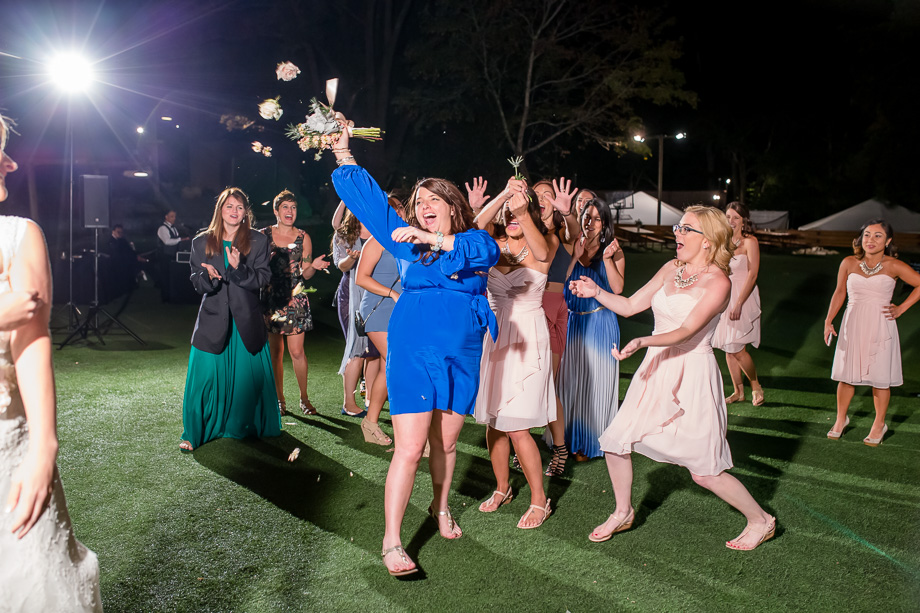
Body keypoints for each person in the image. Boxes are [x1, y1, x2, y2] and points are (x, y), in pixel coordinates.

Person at [331, 124, 500, 577]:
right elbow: (370, 206)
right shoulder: (403, 239)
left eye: (433, 201)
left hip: (460, 352)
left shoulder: (472, 241)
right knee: (409, 447)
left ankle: (440, 506)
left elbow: (485, 251)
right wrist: (345, 155)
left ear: (452, 207)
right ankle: (391, 541)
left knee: (445, 442)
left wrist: (434, 241)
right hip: (411, 349)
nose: (423, 208)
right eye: (418, 203)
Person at [570, 206, 776, 550]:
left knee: (704, 472)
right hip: (656, 368)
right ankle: (623, 511)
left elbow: (684, 332)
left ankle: (761, 520)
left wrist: (643, 341)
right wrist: (597, 293)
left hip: (691, 374)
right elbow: (632, 304)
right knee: (615, 440)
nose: (676, 234)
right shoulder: (670, 269)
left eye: (686, 229)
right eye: (678, 227)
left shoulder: (719, 282)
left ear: (708, 241)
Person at [0, 114, 103, 611]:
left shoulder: (19, 236)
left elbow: (32, 341)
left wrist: (43, 446)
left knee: (39, 583)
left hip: (9, 448)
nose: (10, 160)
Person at [472, 180, 556, 529]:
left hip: (528, 340)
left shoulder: (545, 240)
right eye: (507, 213)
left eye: (517, 212)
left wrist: (523, 210)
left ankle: (540, 500)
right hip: (495, 337)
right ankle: (503, 487)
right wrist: (503, 197)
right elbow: (472, 229)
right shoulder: (492, 245)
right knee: (494, 421)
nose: (511, 217)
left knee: (518, 424)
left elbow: (543, 255)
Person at [179, 188, 281, 451]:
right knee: (203, 379)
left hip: (245, 321)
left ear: (246, 212)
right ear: (220, 210)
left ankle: (241, 426)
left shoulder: (258, 241)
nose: (234, 212)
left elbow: (262, 279)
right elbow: (196, 282)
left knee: (247, 381)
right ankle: (194, 432)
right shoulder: (201, 242)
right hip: (213, 320)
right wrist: (209, 279)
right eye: (229, 206)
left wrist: (238, 269)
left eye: (239, 207)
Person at [824, 219, 920, 445]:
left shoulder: (894, 265)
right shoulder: (848, 262)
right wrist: (828, 320)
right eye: (867, 235)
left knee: (880, 378)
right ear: (861, 238)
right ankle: (840, 419)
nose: (871, 240)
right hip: (853, 323)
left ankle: (879, 424)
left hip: (881, 325)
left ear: (887, 241)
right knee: (847, 376)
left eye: (878, 236)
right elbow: (839, 293)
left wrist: (902, 308)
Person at [554, 199, 625, 461]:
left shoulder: (614, 249)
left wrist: (606, 259)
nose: (590, 222)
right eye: (586, 216)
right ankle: (566, 439)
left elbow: (617, 289)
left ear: (604, 223)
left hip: (600, 323)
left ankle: (591, 441)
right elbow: (561, 280)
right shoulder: (571, 244)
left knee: (595, 384)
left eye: (596, 218)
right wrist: (574, 254)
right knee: (570, 384)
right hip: (573, 322)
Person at [261, 190, 330, 416]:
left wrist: (314, 266)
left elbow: (305, 273)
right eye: (285, 207)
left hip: (296, 299)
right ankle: (279, 400)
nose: (290, 212)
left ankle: (304, 398)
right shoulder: (264, 235)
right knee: (275, 353)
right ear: (276, 210)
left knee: (297, 351)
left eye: (293, 207)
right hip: (272, 300)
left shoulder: (303, 237)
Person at [354, 195, 406, 446]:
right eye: (393, 211)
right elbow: (360, 278)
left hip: (401, 310)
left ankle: (371, 422)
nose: (398, 215)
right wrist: (392, 293)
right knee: (399, 365)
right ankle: (406, 430)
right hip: (377, 309)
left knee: (389, 367)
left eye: (401, 211)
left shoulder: (408, 243)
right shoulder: (375, 242)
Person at [533, 178, 576, 476]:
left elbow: (574, 236)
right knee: (533, 380)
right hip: (533, 303)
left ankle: (560, 449)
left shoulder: (561, 231)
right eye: (537, 194)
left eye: (548, 194)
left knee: (547, 383)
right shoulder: (526, 229)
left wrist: (567, 213)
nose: (543, 198)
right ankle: (527, 441)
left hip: (555, 305)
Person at [712, 202, 764, 406]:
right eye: (728, 217)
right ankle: (738, 391)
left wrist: (739, 303)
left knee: (737, 348)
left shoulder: (750, 242)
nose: (731, 221)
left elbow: (753, 274)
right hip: (725, 294)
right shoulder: (721, 241)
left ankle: (756, 386)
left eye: (735, 217)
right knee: (728, 347)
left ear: (743, 221)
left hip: (743, 294)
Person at [331, 209, 376, 417]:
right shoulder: (345, 233)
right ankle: (349, 403)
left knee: (374, 353)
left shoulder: (380, 229)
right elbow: (341, 265)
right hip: (352, 295)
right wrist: (352, 259)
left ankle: (371, 400)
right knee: (356, 349)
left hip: (377, 295)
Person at [156, 209, 190, 302]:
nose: (174, 218)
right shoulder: (162, 228)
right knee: (165, 277)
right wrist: (180, 239)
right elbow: (167, 241)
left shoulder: (174, 228)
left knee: (171, 277)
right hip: (164, 256)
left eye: (174, 216)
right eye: (171, 216)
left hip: (172, 255)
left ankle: (172, 296)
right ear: (166, 217)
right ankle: (165, 297)